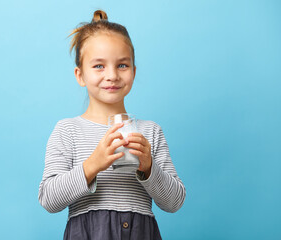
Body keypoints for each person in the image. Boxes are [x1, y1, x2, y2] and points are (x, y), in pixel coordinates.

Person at [38, 9, 186, 240]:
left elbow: (174, 202)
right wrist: (92, 165)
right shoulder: (68, 130)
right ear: (80, 75)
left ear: (134, 73)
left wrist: (148, 167)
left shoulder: (150, 132)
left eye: (122, 65)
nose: (112, 75)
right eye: (99, 66)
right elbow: (48, 199)